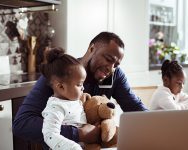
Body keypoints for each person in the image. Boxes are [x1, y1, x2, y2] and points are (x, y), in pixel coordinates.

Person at [13, 31, 148, 149]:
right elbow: (21, 124)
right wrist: (79, 134)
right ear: (92, 49)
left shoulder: (116, 76)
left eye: (116, 65)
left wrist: (160, 125)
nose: (111, 68)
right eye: (108, 59)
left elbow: (136, 109)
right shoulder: (59, 74)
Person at [40, 48, 87, 150]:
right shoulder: (56, 107)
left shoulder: (74, 102)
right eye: (79, 84)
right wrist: (74, 147)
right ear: (61, 87)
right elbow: (50, 135)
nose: (83, 88)